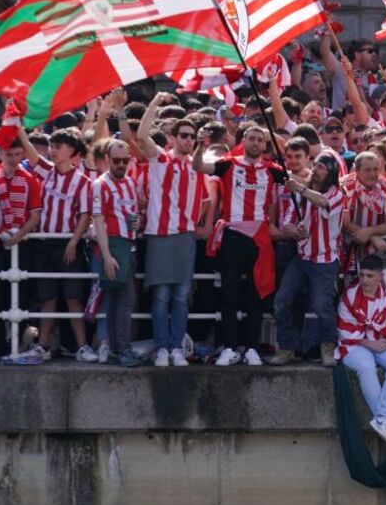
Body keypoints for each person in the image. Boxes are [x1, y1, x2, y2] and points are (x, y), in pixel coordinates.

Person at [127, 95, 212, 368]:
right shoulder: (160, 160)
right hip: (160, 234)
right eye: (184, 136)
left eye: (192, 136)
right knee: (161, 295)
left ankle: (176, 347)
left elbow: (208, 196)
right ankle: (162, 347)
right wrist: (154, 102)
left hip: (186, 236)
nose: (188, 140)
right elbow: (141, 136)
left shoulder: (199, 164)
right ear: (173, 138)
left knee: (180, 296)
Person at [193, 124, 285, 367]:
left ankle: (252, 347)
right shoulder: (228, 164)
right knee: (229, 295)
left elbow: (298, 180)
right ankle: (229, 347)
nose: (256, 143)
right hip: (233, 235)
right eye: (252, 139)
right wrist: (199, 147)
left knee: (256, 297)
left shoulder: (273, 170)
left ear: (265, 145)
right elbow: (198, 167)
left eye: (260, 140)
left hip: (260, 239)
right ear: (243, 141)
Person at [18, 126, 96, 362]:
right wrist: (19, 128)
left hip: (67, 244)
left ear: (72, 150)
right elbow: (31, 152)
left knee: (73, 297)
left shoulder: (83, 182)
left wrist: (73, 242)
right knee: (47, 297)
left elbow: (85, 215)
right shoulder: (46, 172)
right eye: (51, 146)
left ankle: (81, 346)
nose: (52, 150)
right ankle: (43, 345)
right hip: (44, 243)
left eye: (57, 146)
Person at [273, 153, 346, 365]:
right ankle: (287, 347)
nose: (316, 170)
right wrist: (294, 230)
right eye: (315, 166)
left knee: (322, 305)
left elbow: (323, 201)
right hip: (301, 257)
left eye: (322, 167)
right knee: (281, 301)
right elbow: (286, 222)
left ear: (331, 172)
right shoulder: (300, 194)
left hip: (324, 260)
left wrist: (301, 189)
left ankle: (328, 347)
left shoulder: (338, 192)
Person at [336, 255, 386, 443]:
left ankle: (382, 419)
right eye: (362, 275)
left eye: (370, 276)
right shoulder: (349, 297)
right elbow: (345, 332)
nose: (365, 280)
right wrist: (371, 344)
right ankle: (384, 419)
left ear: (380, 276)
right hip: (354, 345)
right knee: (366, 365)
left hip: (378, 343)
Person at [91, 139, 141, 367]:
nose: (121, 164)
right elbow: (98, 221)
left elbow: (133, 213)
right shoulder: (101, 184)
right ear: (107, 160)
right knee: (124, 300)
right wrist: (107, 255)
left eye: (125, 160)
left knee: (116, 300)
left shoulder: (130, 183)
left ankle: (114, 347)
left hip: (128, 245)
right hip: (113, 246)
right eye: (117, 160)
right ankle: (123, 349)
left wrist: (136, 222)